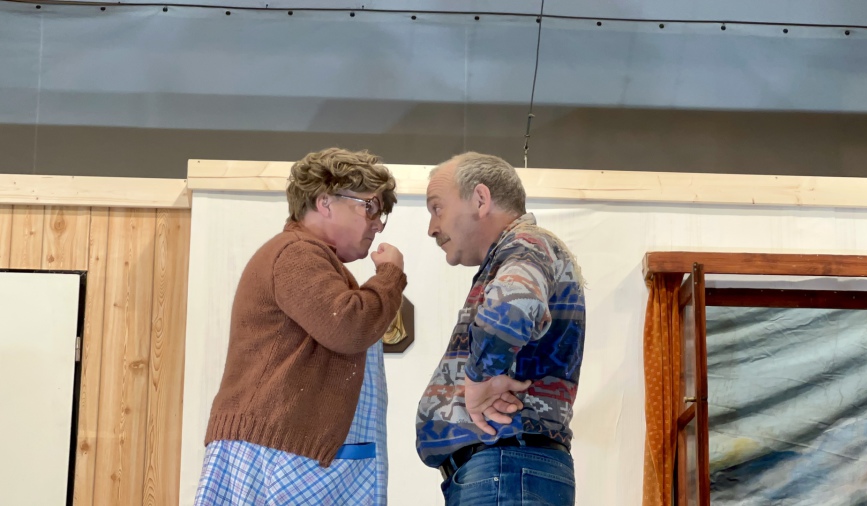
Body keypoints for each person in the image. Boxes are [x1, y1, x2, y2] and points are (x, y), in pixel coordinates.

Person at [194, 147, 406, 506]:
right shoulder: (297, 253)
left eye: (381, 213)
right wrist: (390, 276)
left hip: (285, 449)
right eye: (370, 207)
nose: (377, 223)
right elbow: (349, 327)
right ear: (325, 202)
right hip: (280, 455)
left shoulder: (309, 257)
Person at [415, 152, 586, 505]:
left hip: (505, 469)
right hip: (508, 470)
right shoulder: (523, 250)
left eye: (437, 208)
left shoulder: (526, 244)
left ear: (480, 199)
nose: (432, 227)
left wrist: (478, 379)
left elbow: (512, 308)